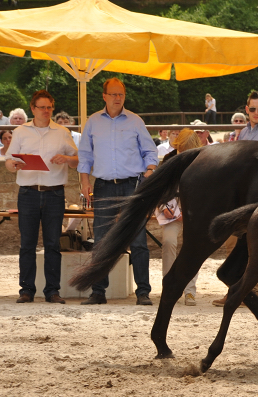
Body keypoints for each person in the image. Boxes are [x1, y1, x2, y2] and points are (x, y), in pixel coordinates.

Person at [78, 77, 158, 306]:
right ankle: (98, 292)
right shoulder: (93, 122)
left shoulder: (135, 121)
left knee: (139, 240)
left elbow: (150, 152)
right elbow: (85, 155)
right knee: (102, 241)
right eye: (113, 94)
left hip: (133, 186)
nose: (117, 98)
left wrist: (151, 170)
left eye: (120, 94)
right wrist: (84, 181)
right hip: (103, 186)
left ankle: (143, 292)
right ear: (104, 96)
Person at [5, 90, 78, 304]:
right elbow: (9, 162)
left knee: (53, 243)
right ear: (33, 109)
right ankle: (26, 290)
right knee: (27, 243)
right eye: (42, 107)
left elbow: (76, 160)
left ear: (52, 108)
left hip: (54, 192)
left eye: (49, 107)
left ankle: (52, 291)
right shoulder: (20, 131)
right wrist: (13, 164)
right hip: (27, 192)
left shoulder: (63, 132)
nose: (46, 111)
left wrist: (66, 158)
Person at [211, 90, 258, 307]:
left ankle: (256, 294)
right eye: (252, 109)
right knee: (233, 243)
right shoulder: (244, 133)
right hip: (244, 199)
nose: (256, 112)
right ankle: (235, 290)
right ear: (246, 109)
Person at [155, 129, 201, 306]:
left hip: (194, 209)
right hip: (171, 205)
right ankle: (169, 286)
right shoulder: (169, 159)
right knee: (168, 242)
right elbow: (160, 186)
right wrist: (164, 206)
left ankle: (190, 291)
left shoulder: (202, 159)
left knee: (194, 247)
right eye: (182, 149)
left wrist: (190, 211)